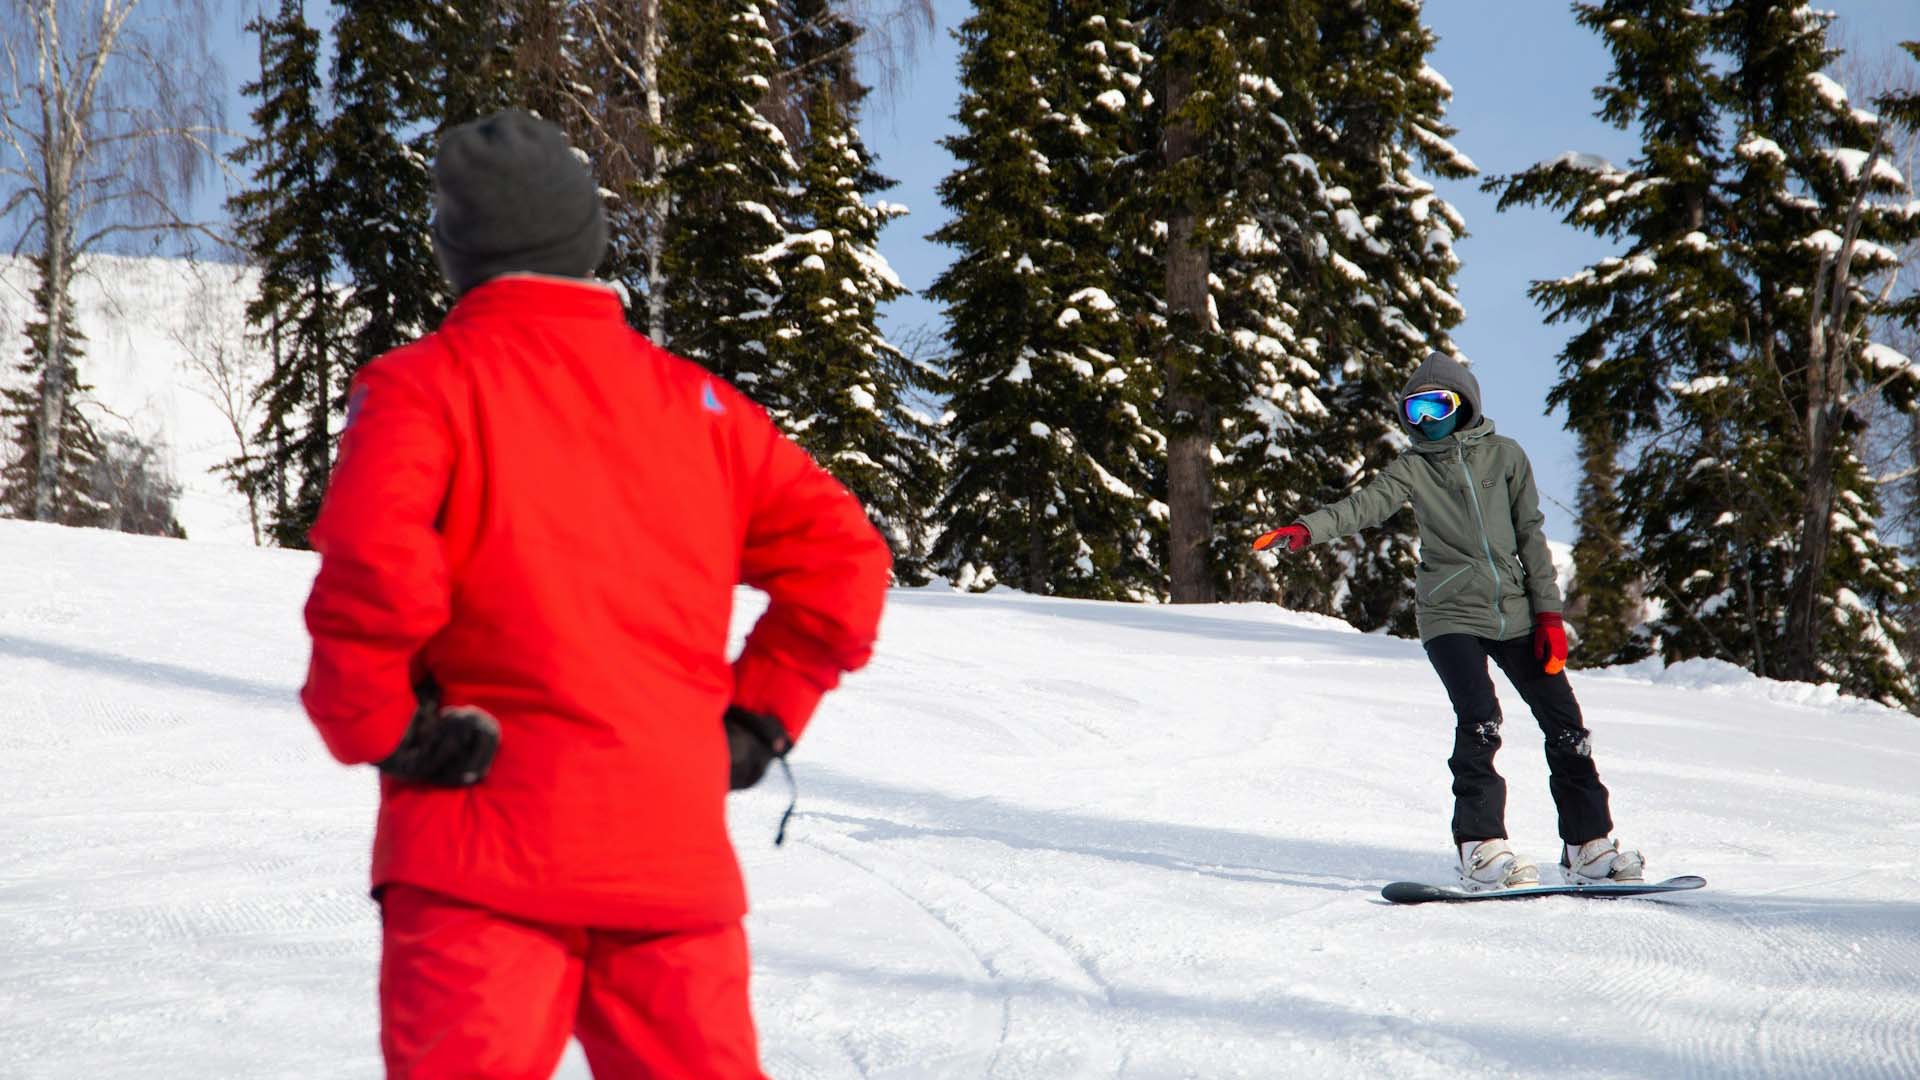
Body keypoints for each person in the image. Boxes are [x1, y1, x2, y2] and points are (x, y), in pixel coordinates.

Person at [299, 109, 892, 1079]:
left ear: (456, 252)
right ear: (588, 238)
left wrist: (382, 727)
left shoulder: (424, 386)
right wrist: (759, 719)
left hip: (476, 848)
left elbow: (372, 562)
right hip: (668, 863)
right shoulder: (701, 408)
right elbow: (843, 560)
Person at [1253, 351, 1643, 892]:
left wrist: (1549, 615)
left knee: (1566, 726)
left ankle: (1587, 845)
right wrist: (1306, 529)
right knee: (1480, 719)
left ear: (1464, 404)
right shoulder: (1413, 468)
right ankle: (1480, 847)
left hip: (1516, 613)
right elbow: (1363, 505)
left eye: (1436, 406)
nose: (1425, 419)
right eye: (1414, 410)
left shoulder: (1506, 457)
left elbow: (1531, 537)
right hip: (1448, 612)